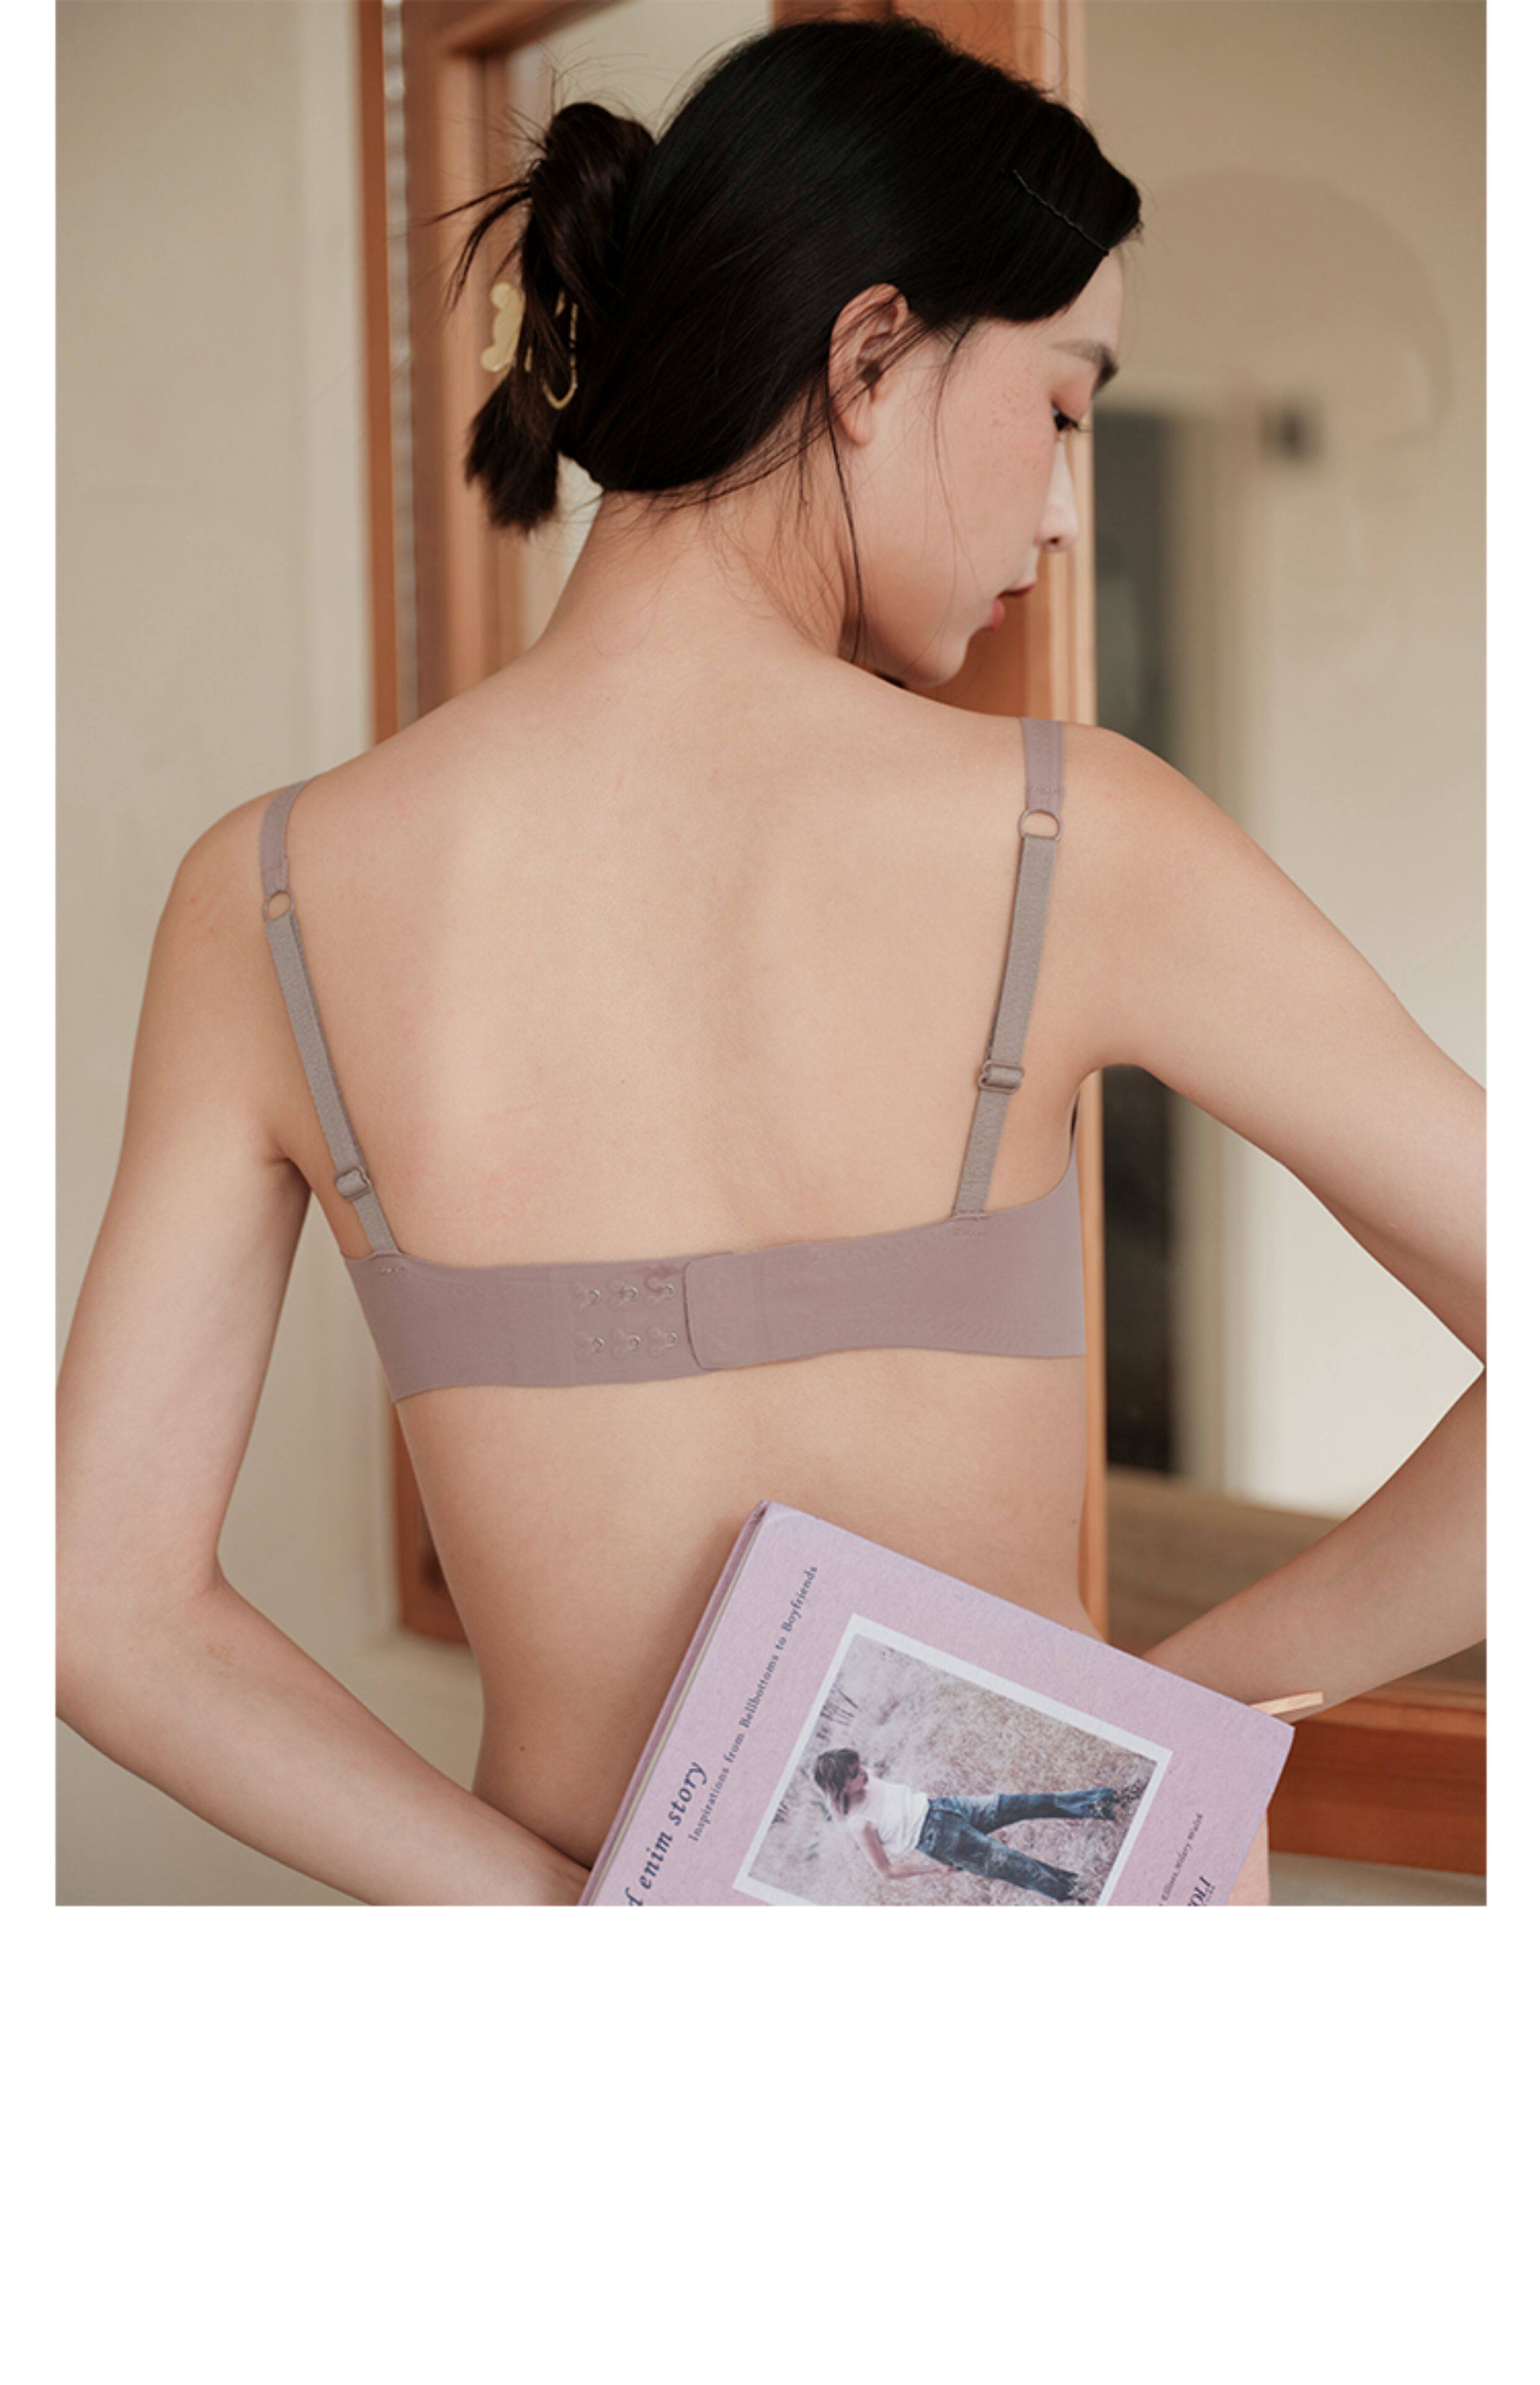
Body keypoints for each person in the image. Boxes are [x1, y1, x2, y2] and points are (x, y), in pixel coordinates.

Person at [56, 14, 1484, 1906]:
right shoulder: (1072, 833)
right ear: (869, 353)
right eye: (1061, 410)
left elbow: (100, 1605)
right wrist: (1140, 1730)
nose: (1066, 510)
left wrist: (565, 1932)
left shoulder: (267, 895)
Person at [813, 1747, 1118, 1901]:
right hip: (940, 1841)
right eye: (855, 1774)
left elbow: (855, 1788)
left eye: (859, 1766)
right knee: (1019, 1867)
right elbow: (887, 1871)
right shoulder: (859, 1824)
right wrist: (936, 1869)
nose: (864, 1773)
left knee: (1027, 1803)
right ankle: (1085, 1892)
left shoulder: (866, 1780)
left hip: (946, 1807)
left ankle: (1105, 1803)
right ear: (842, 1787)